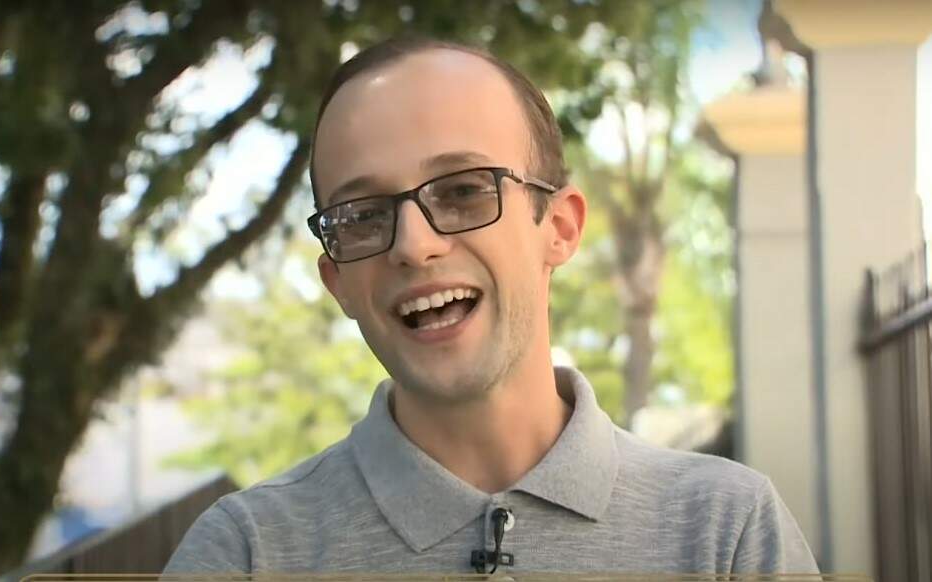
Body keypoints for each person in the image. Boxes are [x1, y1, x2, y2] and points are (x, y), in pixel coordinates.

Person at [164, 37, 818, 576]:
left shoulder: (725, 535)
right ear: (337, 282)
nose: (414, 245)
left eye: (462, 191)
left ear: (559, 227)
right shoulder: (245, 555)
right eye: (362, 215)